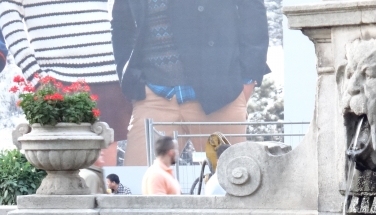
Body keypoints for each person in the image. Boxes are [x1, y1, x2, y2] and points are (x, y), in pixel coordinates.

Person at [111, 0, 270, 165]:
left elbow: (251, 9)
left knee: (231, 182)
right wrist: (130, 77)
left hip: (219, 90)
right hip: (153, 93)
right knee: (141, 185)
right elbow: (122, 24)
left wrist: (249, 79)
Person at [0, 0, 132, 165]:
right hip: (57, 82)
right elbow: (9, 19)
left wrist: (128, 65)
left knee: (105, 179)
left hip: (108, 77)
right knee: (62, 171)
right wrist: (37, 79)